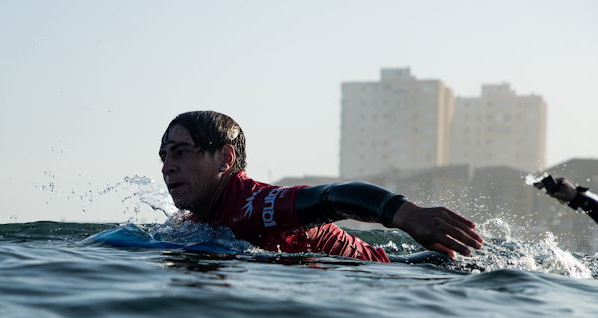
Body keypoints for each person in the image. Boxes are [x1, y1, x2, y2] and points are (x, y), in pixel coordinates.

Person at [159, 111, 483, 263]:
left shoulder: (255, 206)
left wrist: (408, 215)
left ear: (225, 158)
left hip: (395, 278)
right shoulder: (193, 224)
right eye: (164, 156)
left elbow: (335, 196)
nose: (167, 166)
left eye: (181, 152)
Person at [534, 175, 598, 225]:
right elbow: (561, 179)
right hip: (585, 201)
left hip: (586, 204)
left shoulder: (566, 192)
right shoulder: (562, 183)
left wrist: (554, 195)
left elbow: (568, 198)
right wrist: (542, 184)